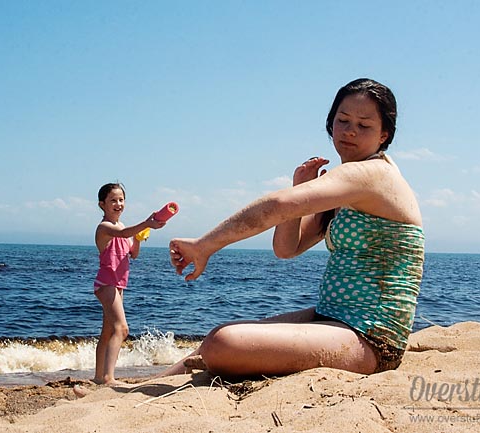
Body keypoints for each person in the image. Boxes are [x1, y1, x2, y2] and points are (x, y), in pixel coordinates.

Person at [164, 78, 425, 377]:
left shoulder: (373, 174)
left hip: (371, 338)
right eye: (343, 120)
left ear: (384, 135)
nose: (350, 130)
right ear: (331, 124)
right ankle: (133, 390)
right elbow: (287, 249)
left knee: (223, 342)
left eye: (364, 125)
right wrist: (301, 189)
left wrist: (205, 245)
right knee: (223, 335)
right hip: (331, 317)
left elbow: (277, 206)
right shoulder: (347, 184)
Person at [92, 182, 166, 385]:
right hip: (106, 283)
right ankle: (109, 378)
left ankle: (99, 378)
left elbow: (133, 254)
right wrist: (147, 223)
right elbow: (123, 234)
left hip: (118, 285)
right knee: (122, 329)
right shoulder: (104, 227)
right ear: (102, 205)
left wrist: (140, 238)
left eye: (121, 199)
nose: (118, 204)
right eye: (113, 200)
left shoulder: (123, 227)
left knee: (108, 331)